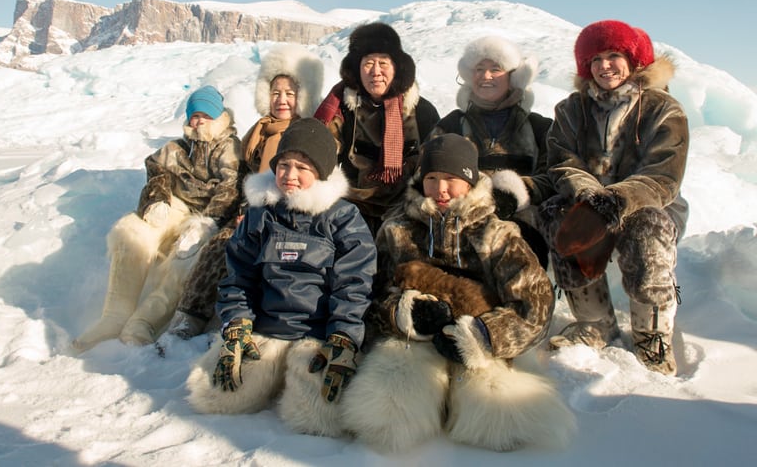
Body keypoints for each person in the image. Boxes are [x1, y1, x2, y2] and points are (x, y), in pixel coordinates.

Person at [339, 134, 573, 452]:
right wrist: (403, 314)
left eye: (451, 179)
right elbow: (372, 292)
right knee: (386, 411)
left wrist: (483, 335)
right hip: (413, 341)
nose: (441, 189)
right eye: (432, 178)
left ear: (470, 180)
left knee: (500, 419)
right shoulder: (397, 229)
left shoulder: (497, 234)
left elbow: (536, 303)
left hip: (480, 339)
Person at [186, 118, 376, 438]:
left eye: (302, 167)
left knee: (318, 421)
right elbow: (239, 277)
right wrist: (236, 324)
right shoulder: (261, 215)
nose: (289, 175)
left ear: (322, 172)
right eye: (284, 165)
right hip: (265, 332)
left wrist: (343, 338)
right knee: (216, 398)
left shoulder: (343, 218)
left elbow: (354, 286)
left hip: (317, 338)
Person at [540, 20, 689, 376]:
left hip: (652, 205)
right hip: (589, 201)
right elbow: (561, 162)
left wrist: (616, 201)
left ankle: (651, 334)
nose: (604, 66)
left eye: (613, 56)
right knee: (558, 213)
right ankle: (595, 323)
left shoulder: (664, 109)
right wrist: (591, 197)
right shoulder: (570, 109)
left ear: (633, 59)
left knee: (646, 229)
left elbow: (662, 176)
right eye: (595, 59)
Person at [166, 45, 325, 340]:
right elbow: (245, 172)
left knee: (237, 247)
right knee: (217, 246)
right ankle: (187, 318)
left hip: (285, 214)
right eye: (276, 92)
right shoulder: (260, 129)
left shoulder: (307, 131)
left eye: (289, 93)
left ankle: (223, 321)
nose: (282, 100)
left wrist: (256, 213)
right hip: (249, 207)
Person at [71, 85, 243, 351]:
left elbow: (230, 188)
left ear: (218, 117)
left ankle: (145, 321)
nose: (199, 122)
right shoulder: (177, 148)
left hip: (207, 217)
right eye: (194, 116)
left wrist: (208, 223)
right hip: (177, 206)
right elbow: (157, 170)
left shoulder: (230, 148)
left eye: (205, 115)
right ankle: (115, 315)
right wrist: (156, 199)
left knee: (185, 260)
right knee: (131, 231)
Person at [430, 35, 552, 267]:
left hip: (525, 225)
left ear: (513, 76)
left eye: (495, 69)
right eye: (479, 69)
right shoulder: (450, 126)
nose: (486, 76)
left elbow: (554, 174)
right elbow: (428, 172)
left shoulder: (539, 127)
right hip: (462, 223)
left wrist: (517, 192)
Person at [314, 21, 440, 235]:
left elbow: (437, 163)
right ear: (356, 68)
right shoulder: (342, 108)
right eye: (368, 63)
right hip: (351, 205)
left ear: (397, 67)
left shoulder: (422, 111)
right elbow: (321, 151)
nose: (375, 71)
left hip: (406, 208)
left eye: (383, 62)